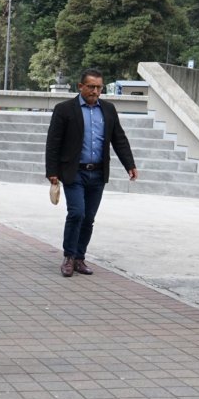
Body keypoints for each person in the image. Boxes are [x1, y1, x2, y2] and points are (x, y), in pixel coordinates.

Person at [44, 68, 138, 277]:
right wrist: (52, 171)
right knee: (77, 213)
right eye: (91, 87)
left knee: (89, 218)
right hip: (74, 172)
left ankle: (79, 258)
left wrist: (129, 164)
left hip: (97, 173)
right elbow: (53, 142)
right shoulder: (65, 109)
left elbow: (119, 139)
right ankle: (69, 257)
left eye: (99, 87)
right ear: (81, 87)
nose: (95, 91)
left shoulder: (108, 110)